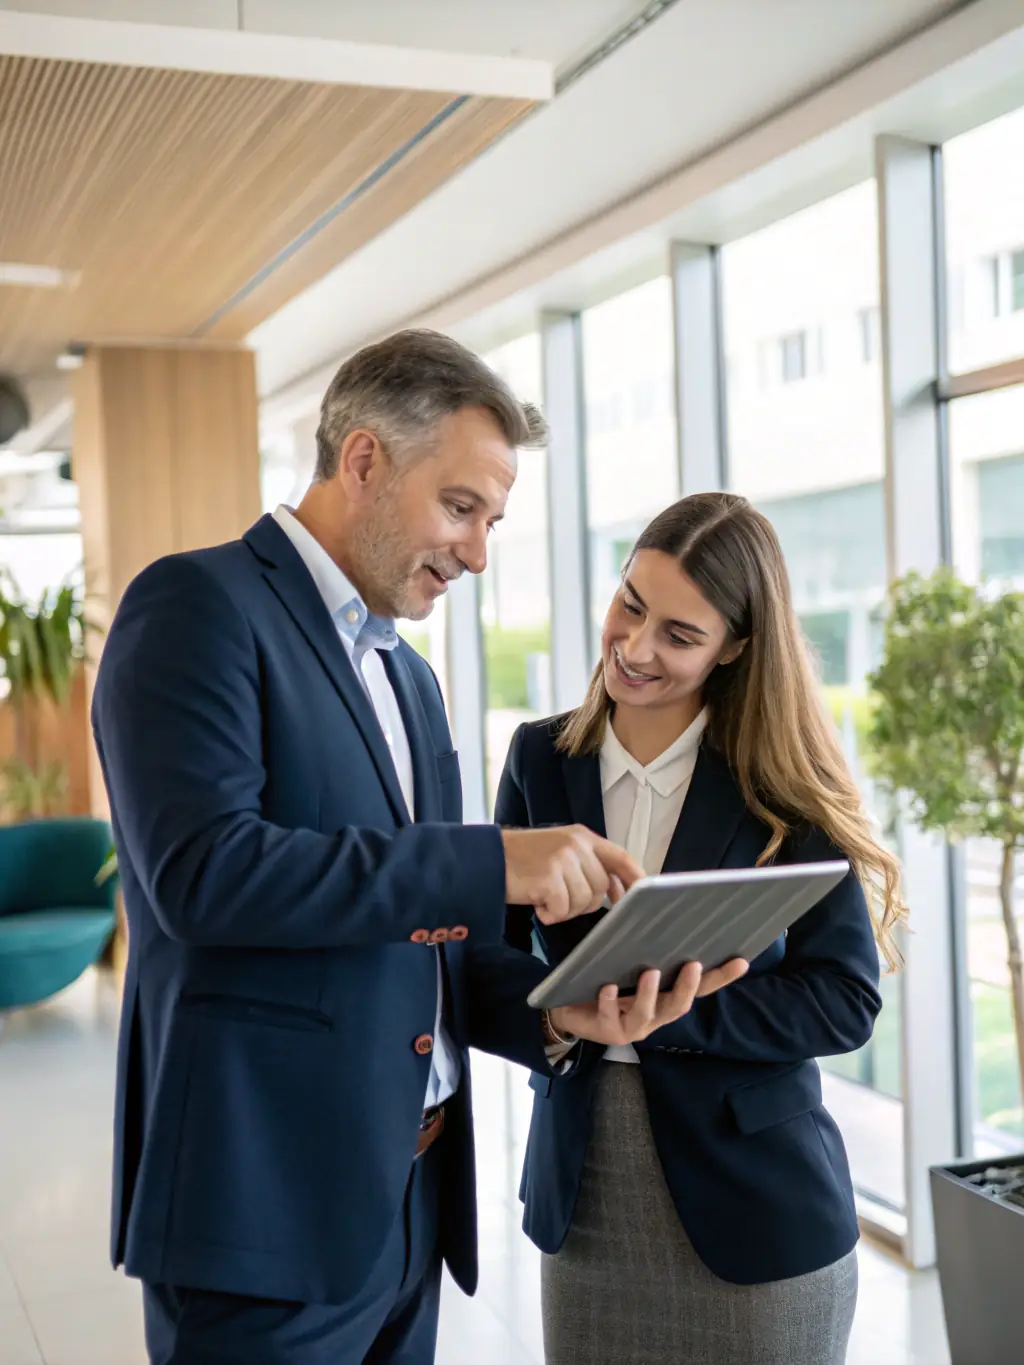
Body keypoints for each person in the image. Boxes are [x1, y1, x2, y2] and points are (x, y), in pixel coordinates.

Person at [92, 330, 745, 1365]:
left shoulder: (408, 676)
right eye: (460, 508)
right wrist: (496, 863)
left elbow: (419, 936)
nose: (479, 552)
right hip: (264, 1211)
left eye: (492, 519)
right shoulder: (198, 607)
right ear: (362, 461)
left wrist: (552, 1010)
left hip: (411, 1205)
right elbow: (203, 877)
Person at [497, 492, 908, 1365]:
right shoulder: (540, 759)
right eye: (630, 605)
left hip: (760, 1212)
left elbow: (844, 1000)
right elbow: (490, 963)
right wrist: (557, 1010)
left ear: (735, 648)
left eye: (680, 636)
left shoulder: (779, 785)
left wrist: (666, 1007)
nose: (637, 648)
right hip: (587, 1190)